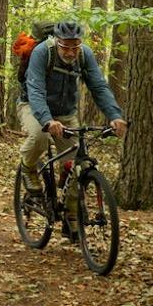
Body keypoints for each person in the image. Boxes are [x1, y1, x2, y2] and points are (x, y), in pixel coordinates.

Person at [20, 16, 126, 231]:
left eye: (75, 47)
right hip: (33, 106)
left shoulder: (85, 55)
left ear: (80, 44)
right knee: (39, 137)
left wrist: (114, 115)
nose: (70, 52)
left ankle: (71, 216)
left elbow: (98, 87)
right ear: (57, 42)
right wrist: (47, 120)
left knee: (76, 166)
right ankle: (28, 168)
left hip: (66, 113)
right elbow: (36, 90)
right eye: (65, 47)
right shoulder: (43, 53)